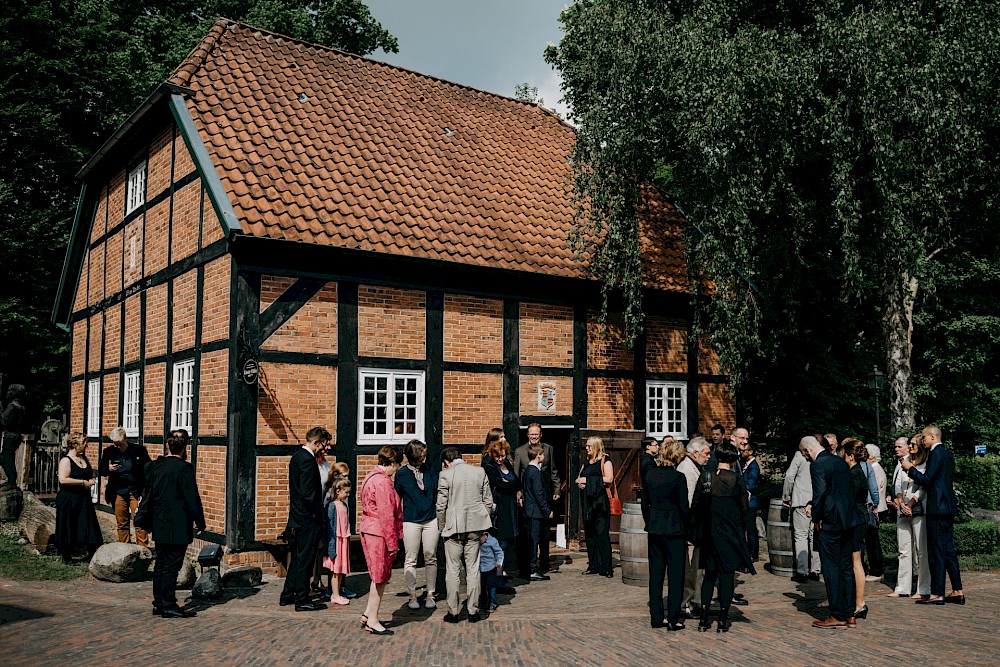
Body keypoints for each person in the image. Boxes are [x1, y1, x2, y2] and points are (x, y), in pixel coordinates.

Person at [135, 429, 205, 618]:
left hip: (159, 522)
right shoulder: (184, 468)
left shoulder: (154, 466)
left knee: (161, 564)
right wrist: (200, 521)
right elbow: (192, 498)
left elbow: (147, 493)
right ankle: (168, 604)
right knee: (172, 566)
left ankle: (158, 602)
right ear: (185, 447)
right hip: (178, 523)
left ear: (167, 445)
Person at [694, 439, 755, 633]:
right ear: (733, 459)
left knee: (709, 576)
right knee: (727, 577)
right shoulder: (737, 480)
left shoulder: (706, 477)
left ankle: (703, 619)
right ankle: (722, 619)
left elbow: (696, 506)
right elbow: (744, 510)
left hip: (710, 533)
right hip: (730, 533)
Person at [901, 425, 964, 605]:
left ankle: (937, 593)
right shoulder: (948, 454)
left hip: (937, 508)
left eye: (924, 437)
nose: (922, 441)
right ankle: (957, 590)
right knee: (949, 550)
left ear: (932, 437)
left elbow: (928, 480)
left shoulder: (935, 454)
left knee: (936, 551)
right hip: (948, 507)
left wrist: (910, 469)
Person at [804, 435, 862, 628]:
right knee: (846, 567)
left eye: (805, 453)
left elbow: (820, 493)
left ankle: (837, 614)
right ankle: (850, 613)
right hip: (848, 519)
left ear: (808, 451)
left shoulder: (817, 465)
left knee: (831, 568)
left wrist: (816, 517)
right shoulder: (840, 461)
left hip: (830, 522)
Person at [437, 446, 493, 623]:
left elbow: (441, 505)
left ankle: (453, 612)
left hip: (453, 527)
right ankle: (473, 611)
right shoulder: (479, 471)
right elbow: (488, 502)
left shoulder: (445, 475)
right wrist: (484, 523)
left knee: (452, 569)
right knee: (473, 568)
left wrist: (442, 526)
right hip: (475, 526)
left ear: (447, 461)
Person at [279, 427, 330, 612]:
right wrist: (318, 515)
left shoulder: (297, 457)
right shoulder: (308, 461)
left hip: (298, 517)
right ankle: (302, 598)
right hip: (307, 519)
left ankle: (287, 594)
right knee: (305, 560)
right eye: (323, 445)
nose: (324, 449)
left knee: (298, 559)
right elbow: (308, 495)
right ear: (316, 442)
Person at [642, 439, 689, 630]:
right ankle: (673, 619)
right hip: (675, 529)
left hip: (654, 528)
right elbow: (684, 507)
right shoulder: (678, 478)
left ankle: (656, 617)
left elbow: (645, 504)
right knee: (676, 575)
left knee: (656, 575)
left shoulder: (650, 475)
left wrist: (650, 521)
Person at [359, 445, 403, 634]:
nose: (396, 470)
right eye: (397, 466)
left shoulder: (370, 477)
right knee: (380, 577)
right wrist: (393, 543)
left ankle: (369, 613)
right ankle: (373, 620)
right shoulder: (384, 482)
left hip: (369, 527)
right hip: (379, 531)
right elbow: (387, 514)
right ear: (392, 463)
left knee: (377, 574)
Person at [394, 439, 439, 610]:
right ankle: (412, 595)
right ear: (413, 457)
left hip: (430, 518)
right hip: (411, 520)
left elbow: (436, 489)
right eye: (421, 456)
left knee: (430, 556)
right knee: (411, 558)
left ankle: (430, 594)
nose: (424, 459)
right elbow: (396, 498)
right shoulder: (402, 474)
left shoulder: (429, 468)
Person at [512, 423, 561, 575]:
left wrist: (556, 488)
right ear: (527, 435)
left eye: (536, 434)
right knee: (532, 534)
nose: (533, 437)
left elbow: (553, 470)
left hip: (545, 493)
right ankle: (530, 565)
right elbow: (516, 474)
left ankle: (545, 563)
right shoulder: (520, 451)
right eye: (531, 434)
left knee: (545, 533)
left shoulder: (548, 449)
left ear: (540, 435)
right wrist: (518, 493)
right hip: (531, 496)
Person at [838, 438, 875, 620]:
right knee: (856, 561)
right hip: (859, 519)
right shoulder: (858, 471)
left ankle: (860, 603)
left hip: (856, 520)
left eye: (844, 453)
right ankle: (858, 602)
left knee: (856, 562)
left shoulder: (854, 474)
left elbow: (849, 499)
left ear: (851, 456)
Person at [888, 435, 930, 599]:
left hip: (918, 508)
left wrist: (911, 504)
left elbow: (924, 486)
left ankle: (923, 587)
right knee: (904, 549)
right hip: (902, 507)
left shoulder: (925, 462)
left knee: (921, 550)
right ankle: (903, 587)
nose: (910, 446)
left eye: (913, 444)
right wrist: (899, 500)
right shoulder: (903, 462)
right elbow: (898, 483)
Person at [98, 427, 152, 547]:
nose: (118, 447)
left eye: (120, 444)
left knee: (139, 521)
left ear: (125, 439)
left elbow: (148, 468)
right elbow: (102, 470)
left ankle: (142, 550)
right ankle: (124, 549)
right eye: (115, 444)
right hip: (118, 490)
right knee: (122, 522)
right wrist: (109, 469)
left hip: (135, 490)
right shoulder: (109, 452)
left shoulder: (139, 450)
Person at [54, 432, 103, 564]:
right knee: (69, 525)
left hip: (83, 498)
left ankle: (92, 552)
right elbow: (63, 479)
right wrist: (82, 482)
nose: (86, 445)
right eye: (84, 442)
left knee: (87, 523)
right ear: (75, 445)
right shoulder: (66, 460)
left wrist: (92, 478)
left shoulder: (83, 458)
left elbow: (89, 473)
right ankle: (67, 556)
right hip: (69, 498)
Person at [482, 428, 520, 593]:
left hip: (510, 508)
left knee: (505, 546)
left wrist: (509, 483)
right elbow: (501, 484)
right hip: (500, 509)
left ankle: (499, 578)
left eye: (502, 456)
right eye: (497, 456)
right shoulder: (490, 466)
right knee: (499, 546)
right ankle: (497, 580)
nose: (500, 459)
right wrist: (508, 483)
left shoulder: (508, 465)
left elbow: (516, 482)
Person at [677, 436, 710, 616]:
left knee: (696, 566)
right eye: (706, 453)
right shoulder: (687, 470)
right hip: (691, 527)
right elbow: (688, 502)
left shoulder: (695, 467)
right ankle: (685, 603)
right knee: (689, 568)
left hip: (696, 527)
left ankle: (692, 601)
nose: (708, 457)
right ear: (695, 453)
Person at [783, 436, 821, 583]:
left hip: (801, 500)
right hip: (817, 500)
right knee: (814, 535)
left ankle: (802, 571)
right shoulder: (821, 456)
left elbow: (789, 476)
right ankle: (815, 570)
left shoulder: (799, 455)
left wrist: (786, 495)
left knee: (801, 536)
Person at [575, 436, 614, 578]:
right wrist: (579, 481)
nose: (587, 448)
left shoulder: (605, 460)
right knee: (590, 534)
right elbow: (580, 476)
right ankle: (593, 565)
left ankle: (606, 567)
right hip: (587, 503)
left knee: (602, 534)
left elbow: (609, 479)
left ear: (596, 446)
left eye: (589, 446)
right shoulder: (587, 461)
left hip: (600, 503)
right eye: (586, 446)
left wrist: (588, 480)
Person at [322, 476, 352, 606]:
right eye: (346, 492)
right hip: (336, 541)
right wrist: (331, 546)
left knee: (340, 570)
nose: (347, 494)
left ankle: (338, 592)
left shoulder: (344, 505)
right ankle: (335, 594)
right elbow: (330, 527)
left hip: (343, 540)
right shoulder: (332, 506)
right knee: (335, 571)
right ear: (338, 491)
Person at [863, 444, 887, 580]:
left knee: (872, 541)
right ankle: (875, 568)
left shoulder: (875, 469)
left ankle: (876, 570)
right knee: (871, 540)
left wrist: (874, 508)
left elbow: (875, 490)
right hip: (874, 508)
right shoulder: (874, 468)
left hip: (873, 509)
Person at [0, 384, 26, 488]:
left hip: (10, 436)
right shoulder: (22, 407)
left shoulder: (12, 406)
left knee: (7, 459)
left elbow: (4, 421)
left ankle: (12, 481)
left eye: (9, 391)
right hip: (17, 435)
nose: (7, 393)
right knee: (8, 458)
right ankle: (11, 480)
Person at [739, 440, 761, 561]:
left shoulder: (753, 467)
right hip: (747, 501)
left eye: (744, 450)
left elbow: (750, 484)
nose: (741, 452)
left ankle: (754, 553)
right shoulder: (745, 464)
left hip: (750, 502)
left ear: (750, 452)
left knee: (750, 528)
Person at [479, 529, 505, 613]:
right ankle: (483, 601)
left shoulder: (492, 541)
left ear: (484, 535)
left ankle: (492, 603)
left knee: (491, 585)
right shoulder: (475, 543)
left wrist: (499, 562)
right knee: (481, 586)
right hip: (480, 568)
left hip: (491, 567)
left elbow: (499, 552)